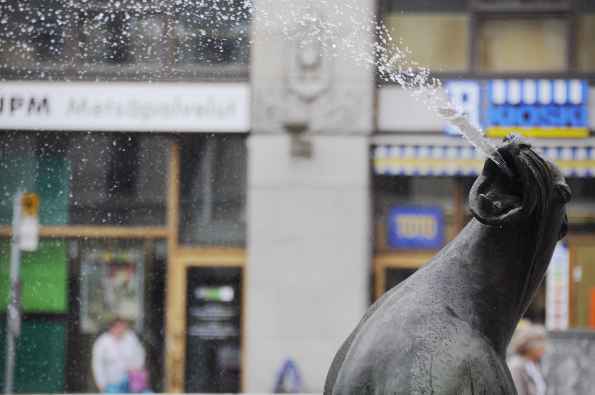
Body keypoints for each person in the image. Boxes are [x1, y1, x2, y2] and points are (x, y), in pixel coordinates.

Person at [92, 317, 148, 393]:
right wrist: (101, 383)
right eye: (118, 327)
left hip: (131, 381)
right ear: (112, 327)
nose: (121, 329)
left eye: (123, 327)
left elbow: (140, 354)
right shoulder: (102, 342)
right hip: (112, 383)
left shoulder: (131, 338)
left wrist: (136, 367)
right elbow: (97, 364)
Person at [507, 320, 547, 395]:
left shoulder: (533, 364)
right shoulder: (516, 366)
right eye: (541, 344)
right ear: (530, 346)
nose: (544, 348)